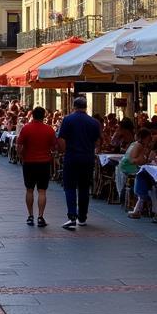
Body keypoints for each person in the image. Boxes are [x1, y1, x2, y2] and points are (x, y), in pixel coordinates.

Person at [56, 95, 100, 230]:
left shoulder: (68, 120)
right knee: (84, 188)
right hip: (87, 158)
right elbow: (98, 142)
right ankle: (82, 217)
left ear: (73, 106)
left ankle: (72, 217)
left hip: (72, 157)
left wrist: (64, 152)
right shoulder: (94, 122)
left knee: (69, 187)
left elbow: (61, 139)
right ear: (85, 107)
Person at [17, 107, 56, 227]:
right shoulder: (49, 129)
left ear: (32, 115)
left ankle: (30, 216)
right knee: (42, 191)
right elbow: (54, 147)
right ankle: (40, 216)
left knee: (29, 190)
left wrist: (22, 156)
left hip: (29, 162)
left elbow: (19, 146)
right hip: (44, 163)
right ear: (43, 116)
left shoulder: (26, 128)